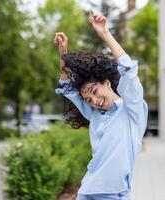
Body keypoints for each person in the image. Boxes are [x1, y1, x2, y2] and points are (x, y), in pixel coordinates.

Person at [54, 11, 148, 200]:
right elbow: (67, 88)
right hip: (87, 191)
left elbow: (128, 70)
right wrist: (64, 54)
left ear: (107, 83)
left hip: (114, 194)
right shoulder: (95, 114)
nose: (94, 101)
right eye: (88, 100)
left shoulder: (131, 110)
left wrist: (105, 33)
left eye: (94, 92)